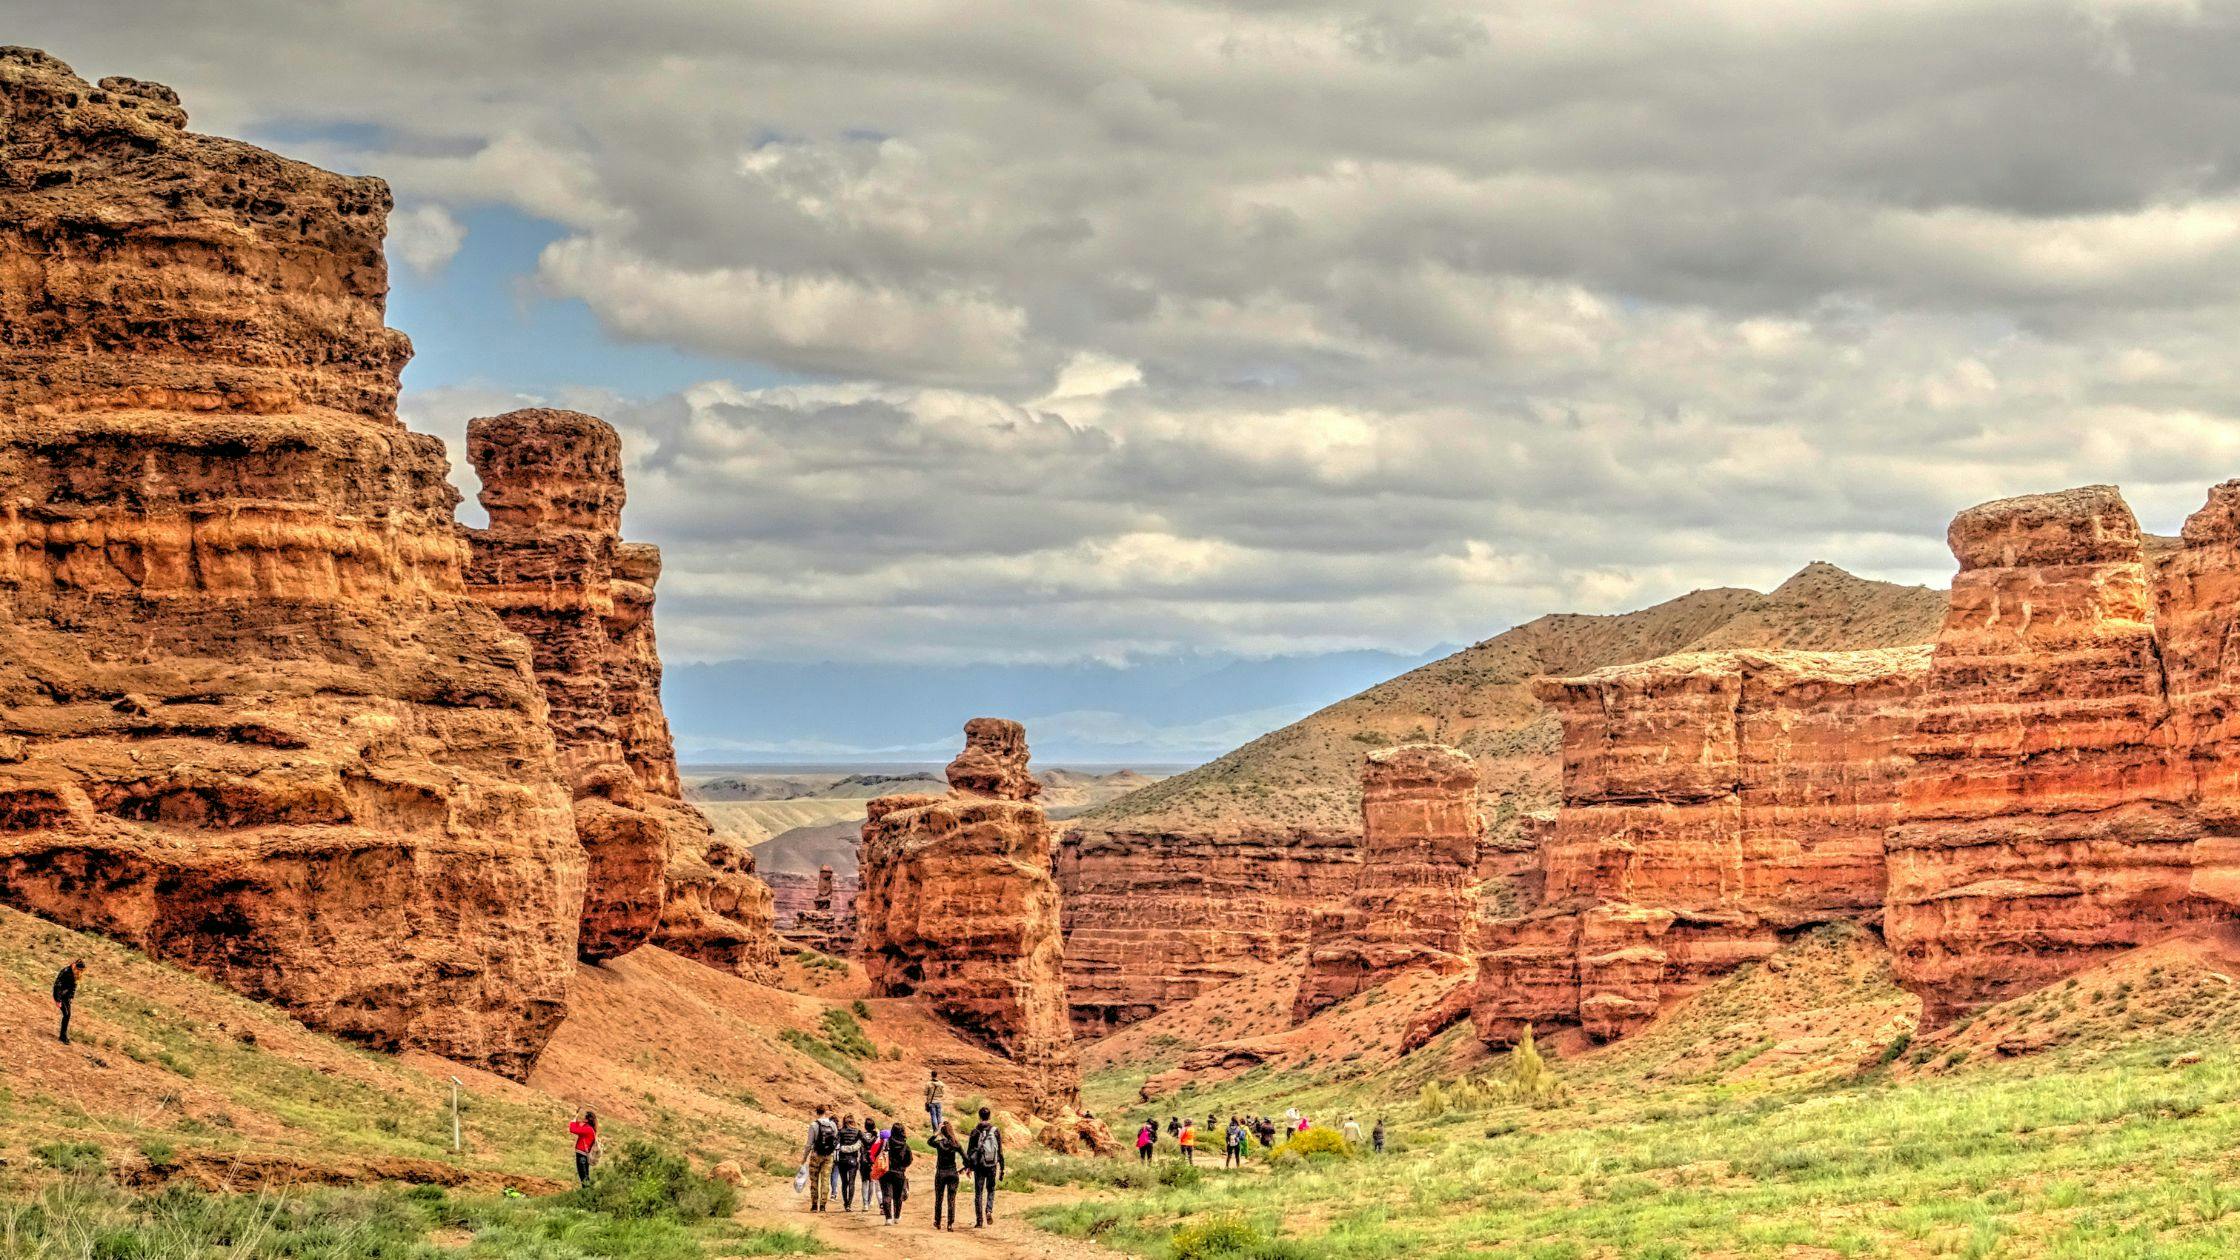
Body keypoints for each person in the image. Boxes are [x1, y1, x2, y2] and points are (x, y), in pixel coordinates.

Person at [966, 1105, 1005, 1228]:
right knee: (991, 1189)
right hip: (992, 1165)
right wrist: (1002, 1168)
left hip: (979, 1166)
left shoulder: (975, 1131)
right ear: (989, 1116)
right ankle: (988, 1210)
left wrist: (968, 1166)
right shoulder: (995, 1131)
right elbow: (1000, 1151)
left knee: (978, 1193)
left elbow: (970, 1151)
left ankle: (979, 1221)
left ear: (979, 1116)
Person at [930, 1118, 965, 1230]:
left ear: (942, 1132)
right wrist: (964, 1168)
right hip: (953, 1173)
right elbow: (966, 1159)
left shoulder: (939, 1144)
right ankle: (950, 1224)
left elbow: (929, 1142)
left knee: (939, 1198)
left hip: (941, 1173)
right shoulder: (956, 1144)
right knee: (951, 1199)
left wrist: (936, 1132)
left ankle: (938, 1221)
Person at [803, 1106, 839, 1211]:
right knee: (825, 1180)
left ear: (817, 1112)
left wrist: (804, 1157)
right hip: (828, 1155)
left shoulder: (814, 1125)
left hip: (816, 1154)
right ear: (825, 1112)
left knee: (814, 1179)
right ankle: (823, 1205)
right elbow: (835, 1139)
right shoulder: (832, 1124)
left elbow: (809, 1144)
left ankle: (814, 1205)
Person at [878, 1122, 913, 1224]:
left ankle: (888, 1218)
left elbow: (879, 1154)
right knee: (898, 1196)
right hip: (899, 1173)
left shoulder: (886, 1142)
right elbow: (909, 1159)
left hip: (886, 1171)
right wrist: (903, 1167)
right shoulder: (905, 1145)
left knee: (886, 1195)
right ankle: (897, 1217)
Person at [835, 1114, 865, 1210]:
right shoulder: (858, 1131)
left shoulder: (841, 1131)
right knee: (852, 1182)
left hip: (842, 1159)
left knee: (844, 1183)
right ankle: (849, 1205)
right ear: (853, 1121)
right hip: (853, 1159)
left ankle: (845, 1203)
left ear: (844, 1121)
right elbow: (865, 1142)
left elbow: (835, 1143)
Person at [53, 960, 82, 1045]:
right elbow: (57, 985)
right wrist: (58, 999)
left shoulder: (76, 973)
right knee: (66, 1014)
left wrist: (71, 997)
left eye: (81, 970)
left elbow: (74, 986)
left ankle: (63, 1035)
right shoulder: (65, 972)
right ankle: (62, 1036)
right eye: (79, 969)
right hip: (60, 995)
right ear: (73, 965)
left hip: (66, 996)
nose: (80, 972)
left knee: (68, 1014)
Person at [567, 1111, 598, 1187]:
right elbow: (578, 1127)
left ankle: (587, 1194)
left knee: (584, 1176)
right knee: (585, 1175)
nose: (582, 1117)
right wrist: (576, 1118)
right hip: (583, 1155)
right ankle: (587, 1194)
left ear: (587, 1120)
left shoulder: (588, 1129)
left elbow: (573, 1129)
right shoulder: (588, 1128)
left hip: (582, 1156)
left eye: (584, 1117)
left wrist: (573, 1120)